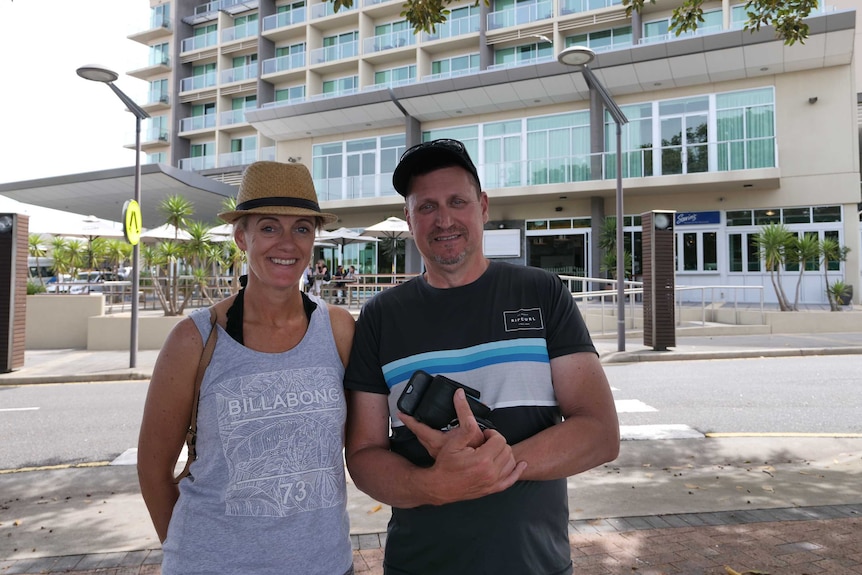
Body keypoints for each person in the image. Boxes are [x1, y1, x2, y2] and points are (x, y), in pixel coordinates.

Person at [343, 139, 620, 575]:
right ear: (409, 219)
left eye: (457, 201)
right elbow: (362, 455)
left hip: (537, 565)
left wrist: (494, 465)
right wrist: (431, 485)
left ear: (483, 206)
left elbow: (600, 432)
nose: (444, 219)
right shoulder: (381, 316)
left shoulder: (542, 293)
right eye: (427, 207)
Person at [137, 161, 356, 575]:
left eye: (302, 228)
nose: (287, 243)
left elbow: (358, 447)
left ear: (314, 239)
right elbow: (152, 468)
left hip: (325, 564)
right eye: (270, 227)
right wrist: (192, 555)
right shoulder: (194, 340)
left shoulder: (339, 330)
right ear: (242, 236)